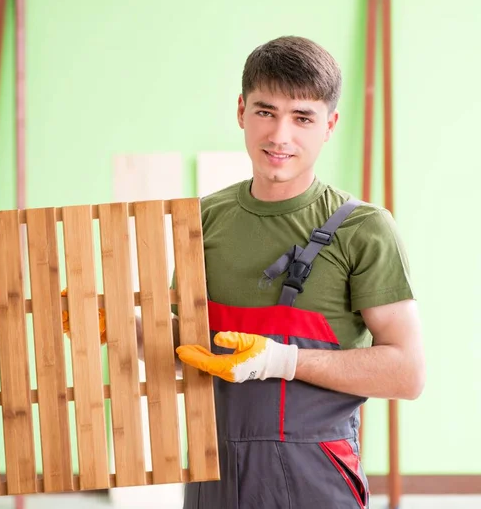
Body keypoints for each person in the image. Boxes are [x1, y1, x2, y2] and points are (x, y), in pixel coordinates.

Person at [171, 36, 426, 509]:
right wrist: (122, 326)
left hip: (316, 476)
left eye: (302, 117)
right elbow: (185, 343)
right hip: (214, 474)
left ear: (329, 125)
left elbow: (407, 373)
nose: (280, 136)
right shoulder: (202, 219)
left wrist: (282, 361)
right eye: (266, 112)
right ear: (241, 110)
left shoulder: (363, 228)